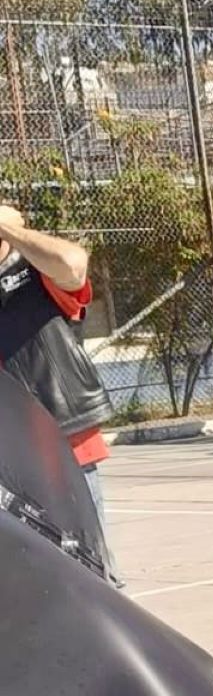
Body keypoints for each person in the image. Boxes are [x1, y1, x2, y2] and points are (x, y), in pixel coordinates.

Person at [0, 205, 112, 529]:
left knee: (90, 568)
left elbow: (73, 265)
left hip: (63, 444)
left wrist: (12, 232)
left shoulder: (37, 269)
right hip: (9, 455)